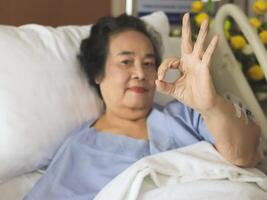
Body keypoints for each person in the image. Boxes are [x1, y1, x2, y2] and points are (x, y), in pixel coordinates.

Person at [23, 13, 261, 200]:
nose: (140, 73)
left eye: (149, 63)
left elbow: (245, 155)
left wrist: (210, 106)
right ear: (97, 72)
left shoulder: (188, 115)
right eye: (126, 61)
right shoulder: (80, 151)